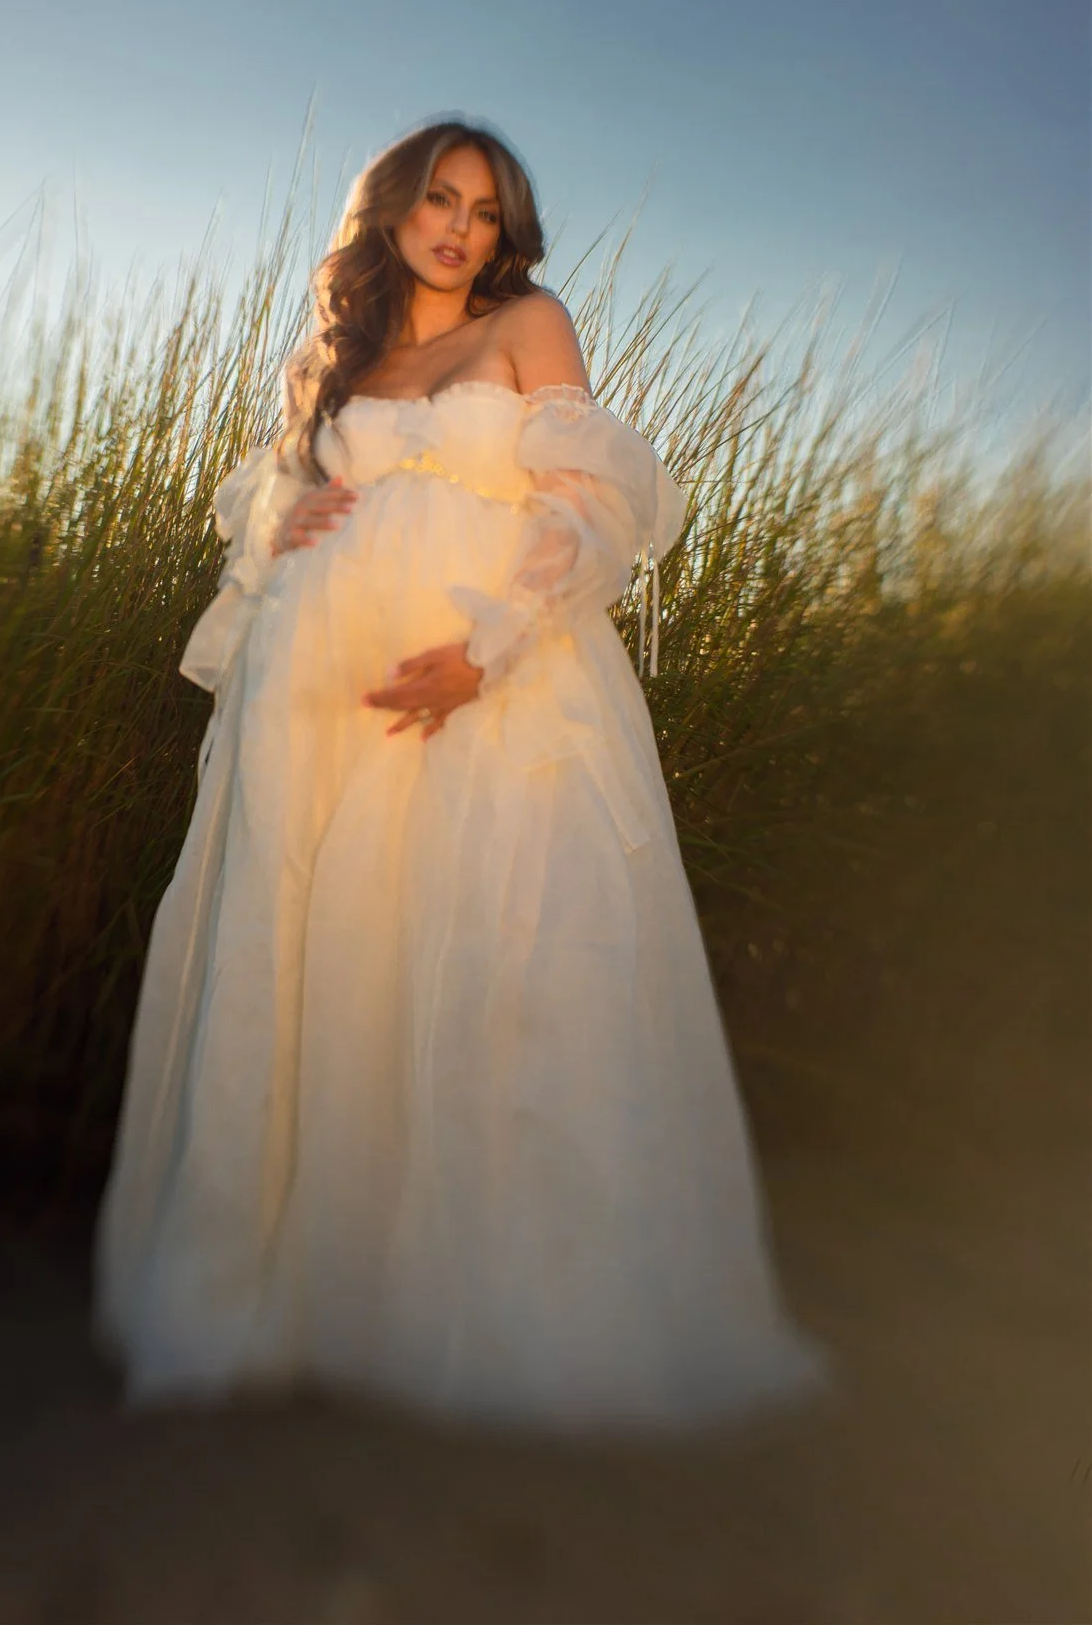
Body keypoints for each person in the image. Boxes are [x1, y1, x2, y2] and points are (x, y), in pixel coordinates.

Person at [92, 118, 831, 1434]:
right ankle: (290, 1300)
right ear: (387, 210)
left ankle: (498, 1316)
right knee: (318, 959)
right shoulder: (333, 355)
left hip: (485, 688)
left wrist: (488, 645)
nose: (459, 227)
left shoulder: (529, 324)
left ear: (508, 235)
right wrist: (284, 516)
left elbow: (591, 506)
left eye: (485, 211)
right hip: (314, 697)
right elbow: (263, 508)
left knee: (496, 966)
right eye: (438, 198)